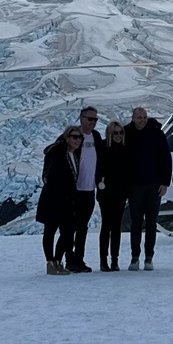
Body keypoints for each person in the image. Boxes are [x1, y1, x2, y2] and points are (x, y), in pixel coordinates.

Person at [126, 106, 171, 270]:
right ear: (133, 118)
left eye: (144, 117)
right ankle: (135, 257)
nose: (142, 120)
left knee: (151, 223)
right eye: (139, 117)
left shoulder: (156, 133)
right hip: (135, 186)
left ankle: (149, 257)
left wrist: (165, 182)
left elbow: (166, 158)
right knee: (136, 223)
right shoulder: (126, 134)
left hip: (154, 185)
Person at [36, 125, 83, 275]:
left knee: (68, 232)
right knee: (51, 231)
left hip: (66, 200)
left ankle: (56, 261)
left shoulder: (72, 154)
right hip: (54, 199)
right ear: (66, 137)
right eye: (74, 137)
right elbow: (52, 176)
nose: (77, 140)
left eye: (79, 137)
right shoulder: (58, 152)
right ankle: (51, 263)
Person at [66, 106, 102, 274]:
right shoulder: (72, 136)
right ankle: (68, 259)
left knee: (83, 227)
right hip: (75, 191)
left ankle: (78, 259)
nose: (92, 123)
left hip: (89, 190)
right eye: (89, 119)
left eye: (95, 119)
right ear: (81, 118)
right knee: (71, 226)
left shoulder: (96, 137)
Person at [96, 120, 132, 271]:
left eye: (120, 132)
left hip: (120, 193)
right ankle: (104, 261)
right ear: (109, 134)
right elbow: (97, 169)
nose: (118, 135)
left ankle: (114, 260)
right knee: (106, 225)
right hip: (106, 192)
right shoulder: (103, 148)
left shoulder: (125, 149)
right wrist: (99, 183)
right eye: (115, 133)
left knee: (116, 226)